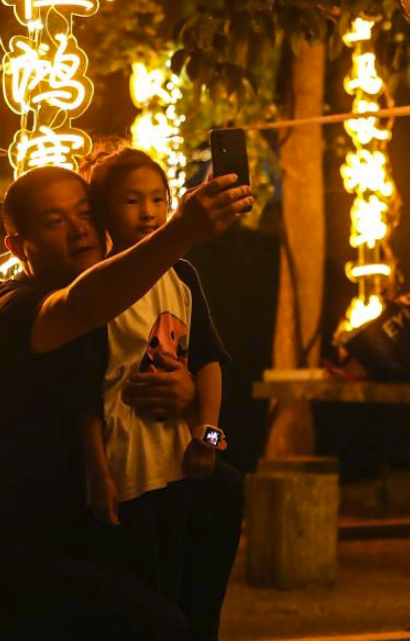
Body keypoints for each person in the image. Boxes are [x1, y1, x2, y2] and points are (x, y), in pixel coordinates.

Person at [0, 165, 252, 640]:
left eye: (85, 213)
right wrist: (182, 231)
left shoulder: (154, 291)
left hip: (90, 527)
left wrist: (194, 407)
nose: (79, 229)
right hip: (13, 549)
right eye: (54, 221)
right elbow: (80, 307)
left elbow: (194, 372)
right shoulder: (11, 311)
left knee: (219, 490)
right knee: (157, 627)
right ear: (17, 246)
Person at [80, 146, 244, 641]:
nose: (149, 212)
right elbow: (81, 393)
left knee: (188, 591)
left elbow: (209, 361)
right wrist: (96, 474)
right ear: (104, 211)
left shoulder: (183, 277)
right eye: (131, 201)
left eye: (158, 198)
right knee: (148, 597)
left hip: (180, 463)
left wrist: (207, 436)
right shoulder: (94, 289)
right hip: (127, 467)